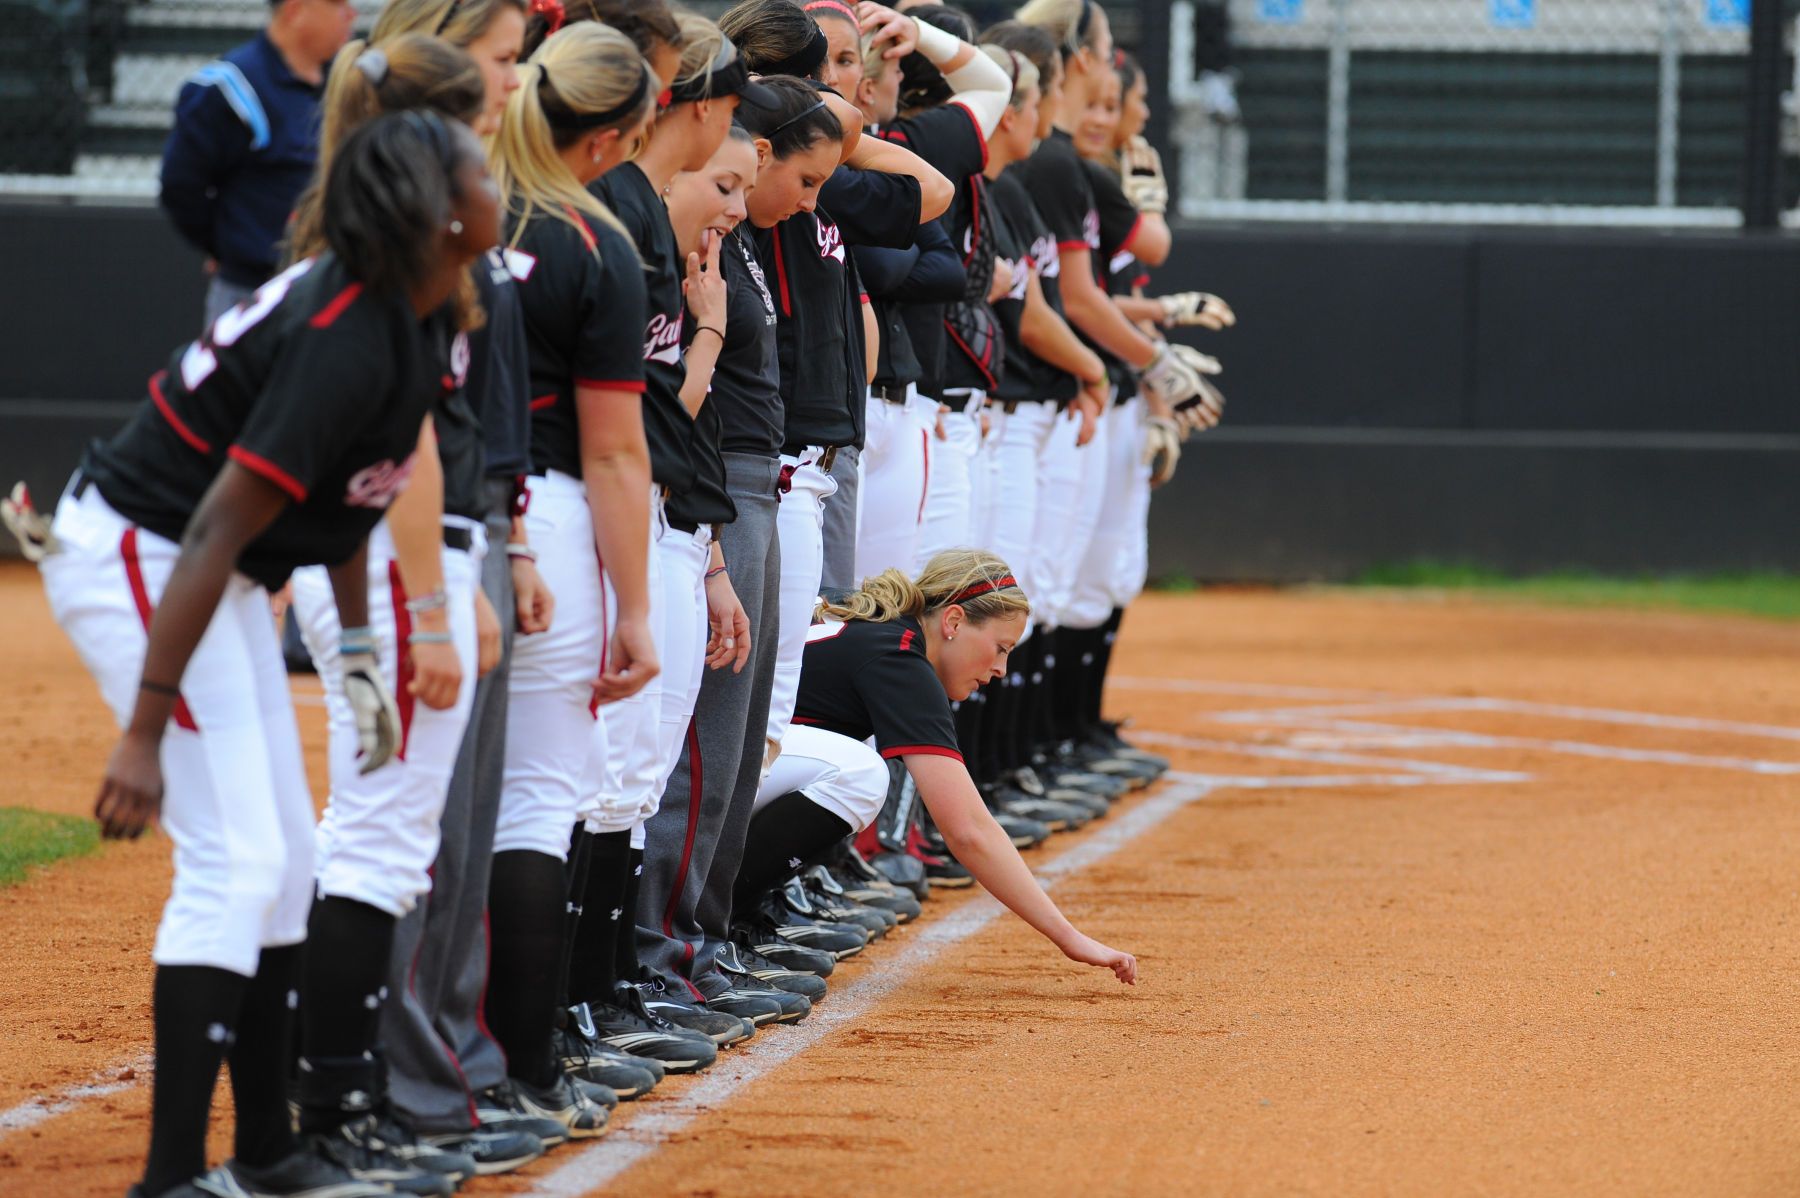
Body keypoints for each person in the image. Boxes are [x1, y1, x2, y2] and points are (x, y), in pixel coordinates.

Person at [42, 109, 498, 1198]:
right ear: (438, 214)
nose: (493, 175)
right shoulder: (349, 330)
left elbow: (345, 506)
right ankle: (169, 1179)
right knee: (236, 862)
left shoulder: (416, 310)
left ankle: (268, 1155)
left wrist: (351, 664)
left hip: (212, 565)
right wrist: (143, 735)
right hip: (145, 553)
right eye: (476, 166)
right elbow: (209, 528)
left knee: (290, 863)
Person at [569, 12, 774, 1052]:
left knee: (634, 775)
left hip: (666, 522)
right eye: (725, 181)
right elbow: (646, 419)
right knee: (598, 775)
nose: (733, 209)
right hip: (607, 520)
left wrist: (708, 557)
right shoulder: (617, 219)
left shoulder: (653, 230)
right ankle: (574, 1005)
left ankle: (607, 995)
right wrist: (702, 338)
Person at [483, 18, 661, 1133]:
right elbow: (613, 451)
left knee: (397, 808)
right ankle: (528, 1070)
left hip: (431, 515)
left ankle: (371, 1072)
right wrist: (638, 608)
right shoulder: (594, 242)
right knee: (539, 798)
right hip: (545, 519)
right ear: (609, 138)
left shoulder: (449, 197)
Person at [732, 549, 1138, 985]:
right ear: (954, 622)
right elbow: (967, 830)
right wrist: (1070, 938)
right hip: (710, 765)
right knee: (859, 774)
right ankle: (715, 920)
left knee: (848, 762)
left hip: (704, 756)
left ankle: (738, 910)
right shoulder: (901, 660)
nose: (1001, 669)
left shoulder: (879, 630)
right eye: (1000, 649)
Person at [159, 0, 355, 328]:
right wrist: (225, 246)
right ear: (295, 11)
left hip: (331, 290)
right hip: (252, 294)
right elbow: (181, 186)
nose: (351, 14)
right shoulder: (230, 89)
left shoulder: (346, 83)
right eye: (337, 4)